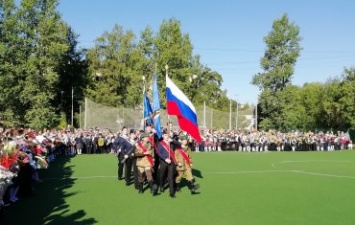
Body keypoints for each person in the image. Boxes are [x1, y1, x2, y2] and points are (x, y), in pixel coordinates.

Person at [157, 129, 177, 198]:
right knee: (162, 175)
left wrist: (173, 141)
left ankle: (171, 192)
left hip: (171, 161)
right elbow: (159, 153)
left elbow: (178, 144)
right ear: (162, 136)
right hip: (163, 161)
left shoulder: (171, 142)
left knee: (170, 176)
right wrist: (165, 159)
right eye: (165, 135)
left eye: (167, 135)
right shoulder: (160, 143)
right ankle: (161, 185)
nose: (166, 136)